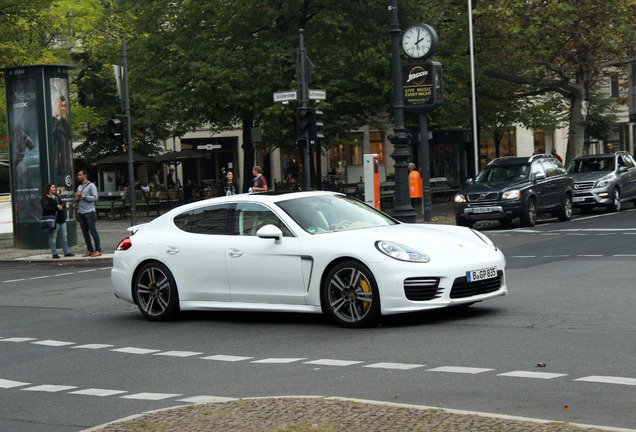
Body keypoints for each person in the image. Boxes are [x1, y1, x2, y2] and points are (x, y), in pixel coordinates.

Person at [41, 183, 74, 259]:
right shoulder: (45, 198)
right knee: (53, 236)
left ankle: (66, 251)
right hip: (53, 219)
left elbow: (62, 204)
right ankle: (54, 253)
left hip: (61, 218)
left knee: (64, 236)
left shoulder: (57, 197)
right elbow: (46, 208)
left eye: (54, 187)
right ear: (48, 188)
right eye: (53, 187)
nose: (54, 188)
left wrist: (62, 206)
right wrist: (56, 207)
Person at [75, 169, 102, 257]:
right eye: (78, 175)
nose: (78, 176)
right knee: (84, 232)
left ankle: (98, 249)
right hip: (81, 211)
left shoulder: (91, 186)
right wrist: (77, 198)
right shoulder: (79, 187)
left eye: (80, 175)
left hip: (89, 211)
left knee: (92, 230)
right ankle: (90, 249)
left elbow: (95, 197)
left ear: (85, 175)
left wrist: (84, 196)